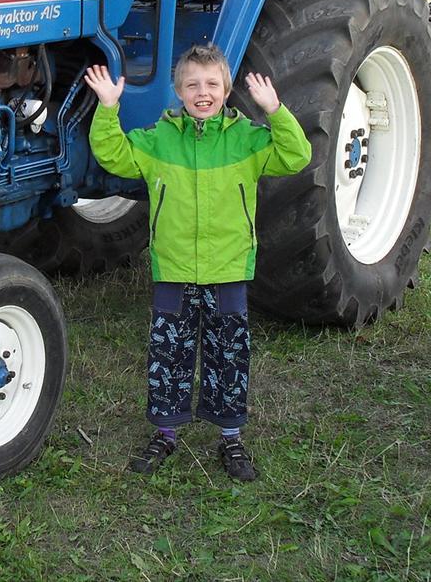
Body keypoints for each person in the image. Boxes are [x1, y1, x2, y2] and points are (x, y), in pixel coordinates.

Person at [85, 43, 311, 482]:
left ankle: (230, 436)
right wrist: (108, 108)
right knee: (168, 354)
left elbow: (296, 155)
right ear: (179, 90)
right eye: (192, 84)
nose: (202, 92)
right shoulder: (159, 139)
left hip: (227, 268)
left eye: (211, 84)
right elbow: (114, 156)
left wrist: (275, 110)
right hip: (173, 268)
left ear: (226, 89)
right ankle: (165, 432)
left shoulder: (248, 139)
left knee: (229, 355)